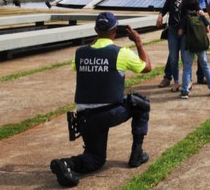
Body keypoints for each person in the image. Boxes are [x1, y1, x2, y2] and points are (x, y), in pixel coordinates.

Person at [50, 12, 152, 187]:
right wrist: (138, 42)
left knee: (95, 159)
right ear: (114, 31)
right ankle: (137, 154)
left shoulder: (80, 53)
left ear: (96, 29)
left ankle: (67, 163)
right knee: (141, 103)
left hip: (85, 117)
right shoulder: (121, 53)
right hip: (110, 113)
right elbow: (147, 68)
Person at [178, 0, 210, 98]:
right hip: (201, 46)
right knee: (205, 65)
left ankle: (185, 91)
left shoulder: (185, 18)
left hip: (189, 46)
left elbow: (180, 32)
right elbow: (207, 30)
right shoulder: (201, 16)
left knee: (187, 67)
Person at [156, 0, 189, 90]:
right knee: (173, 58)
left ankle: (187, 81)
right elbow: (164, 9)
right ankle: (176, 81)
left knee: (185, 58)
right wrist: (160, 16)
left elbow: (197, 9)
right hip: (173, 31)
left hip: (185, 32)